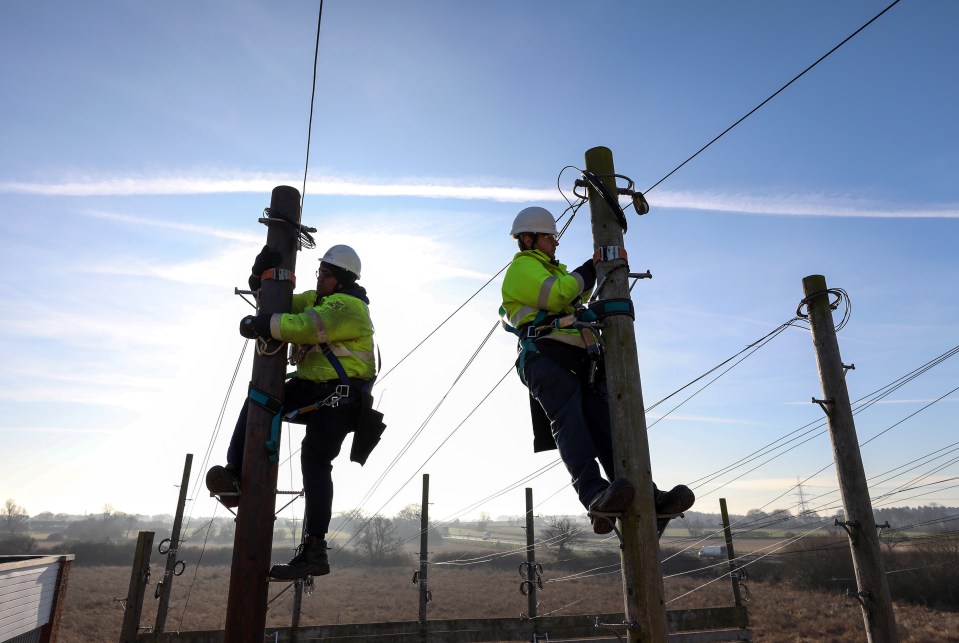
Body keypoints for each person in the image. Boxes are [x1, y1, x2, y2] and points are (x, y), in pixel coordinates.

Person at [500, 206, 695, 535]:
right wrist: (593, 265)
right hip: (546, 355)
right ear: (529, 239)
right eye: (550, 237)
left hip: (579, 355)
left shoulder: (552, 270)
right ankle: (595, 495)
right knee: (571, 424)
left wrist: (601, 268)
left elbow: (576, 295)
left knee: (609, 427)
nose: (555, 243)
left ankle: (648, 498)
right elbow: (560, 294)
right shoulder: (522, 269)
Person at [206, 243, 375, 579]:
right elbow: (278, 306)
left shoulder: (349, 307)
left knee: (315, 459)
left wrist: (262, 324)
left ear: (341, 278)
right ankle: (235, 474)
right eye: (319, 273)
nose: (319, 279)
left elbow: (303, 327)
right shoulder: (320, 299)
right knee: (259, 396)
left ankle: (315, 550)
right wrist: (261, 280)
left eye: (324, 274)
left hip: (340, 399)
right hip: (314, 387)